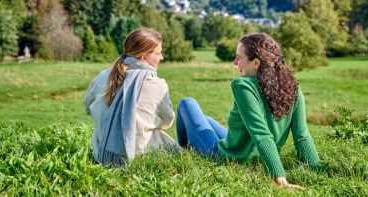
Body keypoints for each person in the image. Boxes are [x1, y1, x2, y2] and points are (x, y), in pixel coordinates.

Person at [176, 32, 320, 189]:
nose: (234, 63)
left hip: (231, 159)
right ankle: (187, 151)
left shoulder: (243, 85)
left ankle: (183, 153)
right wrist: (317, 170)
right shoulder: (293, 87)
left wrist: (280, 178)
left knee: (186, 104)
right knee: (205, 119)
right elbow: (302, 137)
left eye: (239, 58)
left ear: (256, 63)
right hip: (254, 155)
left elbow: (261, 134)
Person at [84, 27, 179, 166]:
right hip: (142, 157)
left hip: (101, 154)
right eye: (158, 53)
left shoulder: (104, 76)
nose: (162, 57)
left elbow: (87, 106)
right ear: (144, 57)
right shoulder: (157, 85)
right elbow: (167, 121)